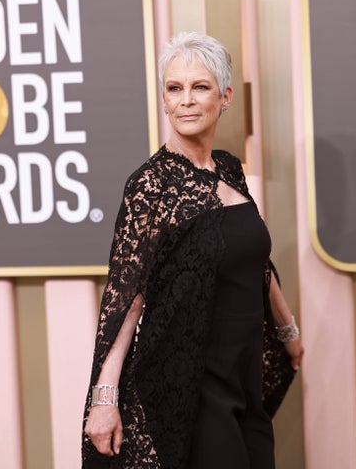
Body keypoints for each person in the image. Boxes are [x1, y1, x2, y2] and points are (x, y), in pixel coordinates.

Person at [82, 31, 304, 469]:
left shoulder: (227, 169)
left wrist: (288, 331)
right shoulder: (150, 185)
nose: (185, 100)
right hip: (189, 380)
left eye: (199, 87)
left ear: (224, 97)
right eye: (174, 88)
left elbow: (255, 262)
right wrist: (105, 397)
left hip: (244, 375)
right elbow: (126, 298)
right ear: (164, 101)